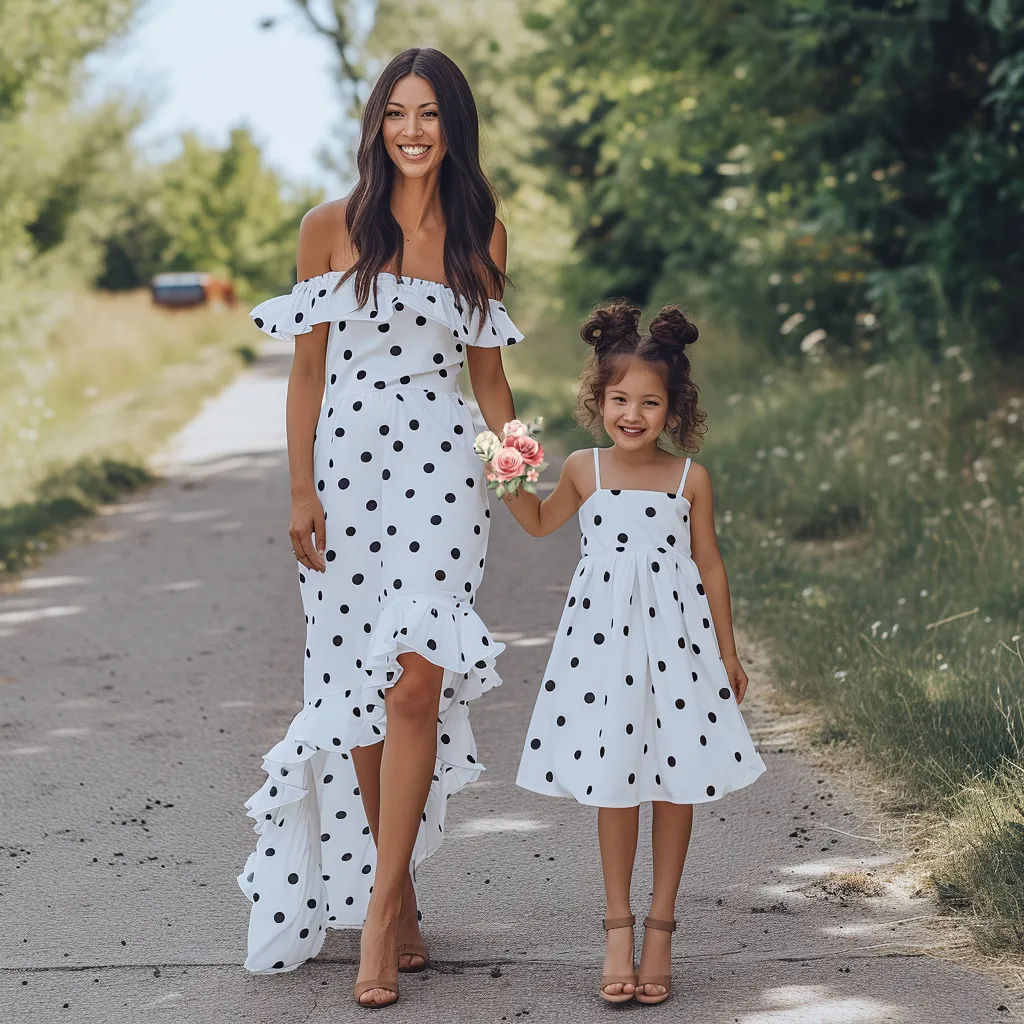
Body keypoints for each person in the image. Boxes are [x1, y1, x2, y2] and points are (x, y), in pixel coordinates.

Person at [238, 48, 522, 1008]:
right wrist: (297, 490)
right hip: (348, 476)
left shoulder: (482, 233)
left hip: (443, 475)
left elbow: (489, 382)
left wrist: (519, 478)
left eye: (430, 114)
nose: (412, 129)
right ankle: (393, 898)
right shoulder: (330, 227)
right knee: (361, 686)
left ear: (454, 127)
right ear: (375, 124)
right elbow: (307, 373)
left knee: (415, 685)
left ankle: (376, 917)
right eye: (397, 112)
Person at [502, 301, 765, 1004]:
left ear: (674, 409)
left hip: (678, 649)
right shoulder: (585, 470)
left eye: (651, 402)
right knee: (616, 779)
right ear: (598, 399)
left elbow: (710, 566)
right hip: (602, 652)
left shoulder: (689, 480)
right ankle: (617, 923)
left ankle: (661, 925)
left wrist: (727, 653)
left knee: (676, 781)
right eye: (620, 398)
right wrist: (509, 474)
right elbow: (535, 523)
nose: (633, 414)